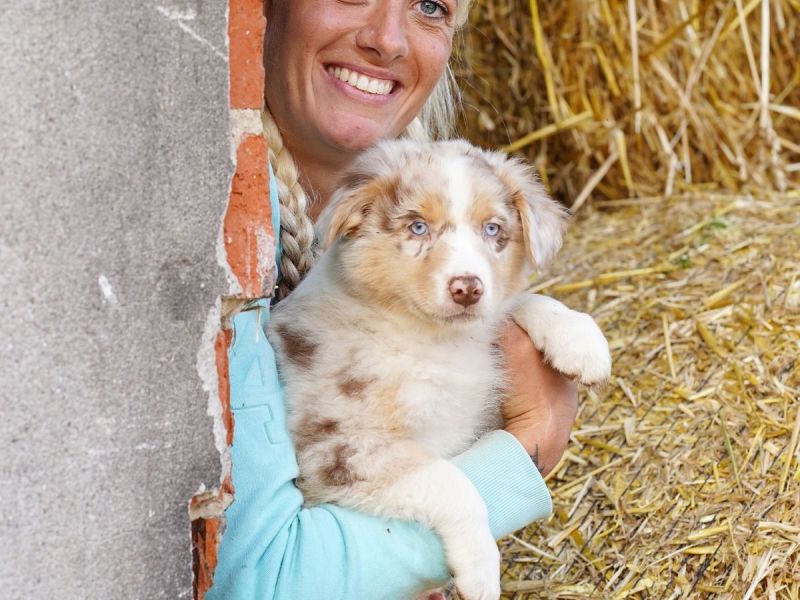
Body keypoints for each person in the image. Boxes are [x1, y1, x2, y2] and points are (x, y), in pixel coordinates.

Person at [207, 1, 578, 598]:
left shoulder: (450, 186)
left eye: (430, 6)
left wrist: (532, 314)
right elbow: (263, 581)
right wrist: (526, 446)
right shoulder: (212, 220)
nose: (387, 39)